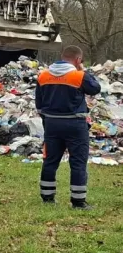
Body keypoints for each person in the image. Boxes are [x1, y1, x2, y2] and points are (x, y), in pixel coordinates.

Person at [36, 45, 101, 209]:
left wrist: (48, 120)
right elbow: (95, 88)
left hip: (52, 124)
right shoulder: (79, 76)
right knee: (78, 162)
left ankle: (47, 198)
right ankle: (78, 201)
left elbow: (39, 105)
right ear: (78, 59)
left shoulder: (43, 75)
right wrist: (84, 71)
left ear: (62, 56)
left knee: (50, 160)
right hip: (75, 125)